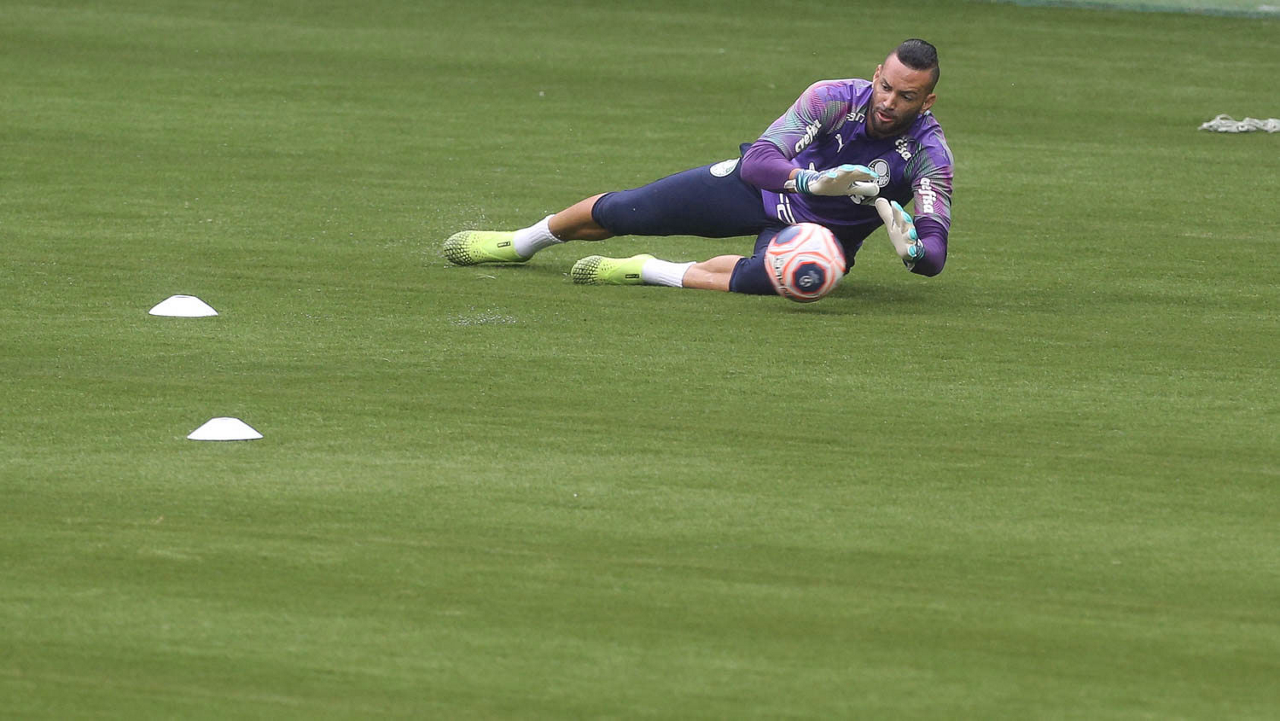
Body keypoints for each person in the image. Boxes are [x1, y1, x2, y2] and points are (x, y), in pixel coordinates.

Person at [443, 39, 953, 296]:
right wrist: (810, 181)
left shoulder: (930, 156)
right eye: (885, 87)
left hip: (818, 237)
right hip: (762, 191)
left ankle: (648, 270)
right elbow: (758, 163)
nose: (888, 102)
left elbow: (935, 253)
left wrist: (912, 251)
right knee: (629, 210)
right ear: (876, 75)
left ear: (927, 100)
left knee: (793, 283)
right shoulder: (833, 98)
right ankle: (522, 242)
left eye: (906, 96)